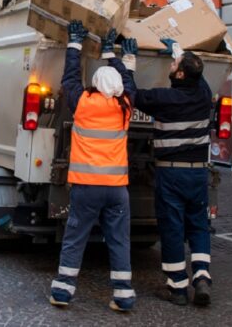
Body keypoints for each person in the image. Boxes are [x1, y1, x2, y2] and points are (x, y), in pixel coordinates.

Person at [49, 21, 138, 313]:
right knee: (119, 241)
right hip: (117, 191)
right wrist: (116, 55)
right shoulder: (125, 106)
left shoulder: (84, 103)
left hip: (86, 188)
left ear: (96, 85)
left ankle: (63, 291)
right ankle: (123, 295)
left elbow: (69, 79)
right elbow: (129, 82)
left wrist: (75, 43)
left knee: (75, 238)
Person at [134, 39, 214, 307]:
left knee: (172, 228)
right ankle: (201, 275)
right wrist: (181, 52)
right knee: (199, 225)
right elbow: (200, 80)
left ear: (179, 74)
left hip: (171, 176)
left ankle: (177, 287)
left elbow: (131, 94)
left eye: (174, 63)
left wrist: (126, 61)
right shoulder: (203, 96)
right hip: (198, 174)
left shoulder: (163, 98)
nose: (170, 63)